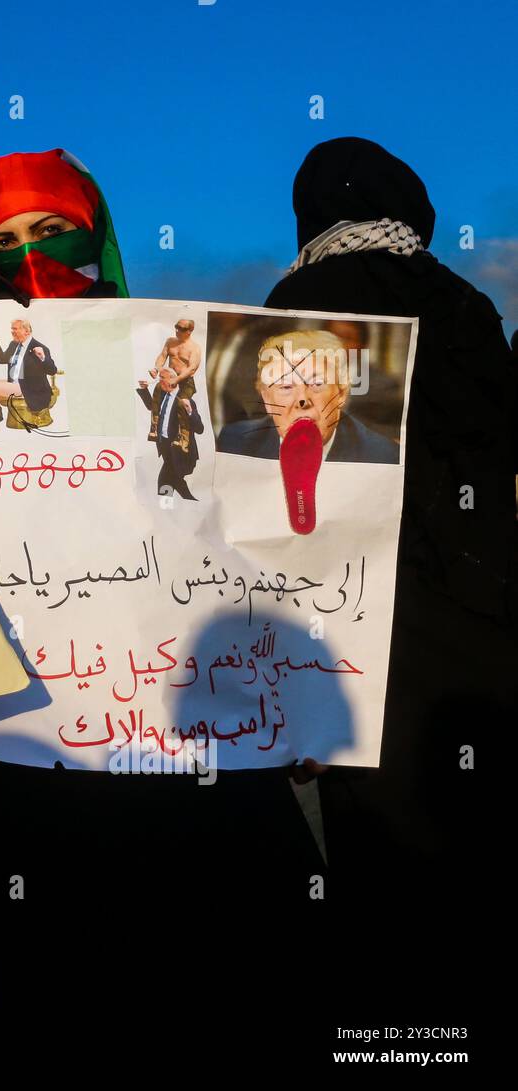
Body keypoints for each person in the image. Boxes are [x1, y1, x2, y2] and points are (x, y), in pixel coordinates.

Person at [0, 149, 326, 1004]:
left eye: (51, 231)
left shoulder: (185, 357)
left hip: (206, 747)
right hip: (38, 767)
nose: (30, 257)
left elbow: (263, 534)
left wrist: (304, 697)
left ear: (95, 236)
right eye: (3, 242)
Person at [263, 137, 515, 1013]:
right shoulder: (467, 305)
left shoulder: (290, 311)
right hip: (486, 647)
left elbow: (266, 516)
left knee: (393, 904)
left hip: (355, 664)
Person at [217, 327, 399, 464]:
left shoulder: (382, 456)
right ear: (267, 400)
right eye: (286, 386)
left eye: (316, 384)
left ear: (341, 393)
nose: (302, 400)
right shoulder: (235, 442)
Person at [0, 318, 57, 431]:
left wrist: (42, 357)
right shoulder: (15, 344)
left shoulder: (39, 347)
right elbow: (3, 359)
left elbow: (52, 370)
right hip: (16, 383)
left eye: (15, 329)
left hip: (30, 388)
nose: (12, 332)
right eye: (12, 329)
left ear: (27, 331)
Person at [136, 366, 203, 499]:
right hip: (165, 445)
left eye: (162, 378)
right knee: (176, 480)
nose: (159, 381)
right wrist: (144, 390)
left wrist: (190, 411)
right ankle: (187, 504)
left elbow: (200, 429)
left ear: (173, 380)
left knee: (164, 481)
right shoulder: (161, 395)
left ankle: (166, 509)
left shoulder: (185, 401)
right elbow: (151, 406)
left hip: (179, 448)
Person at [155, 318, 201, 398]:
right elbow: (162, 356)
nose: (177, 330)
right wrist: (156, 369)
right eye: (176, 327)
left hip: (185, 382)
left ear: (189, 331)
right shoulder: (170, 341)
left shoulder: (195, 348)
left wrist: (177, 379)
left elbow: (192, 368)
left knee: (181, 407)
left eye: (181, 329)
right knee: (157, 404)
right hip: (169, 378)